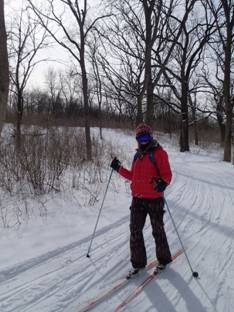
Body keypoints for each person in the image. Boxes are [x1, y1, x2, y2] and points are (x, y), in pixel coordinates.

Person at [110, 123, 172, 277]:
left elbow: (167, 174)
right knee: (135, 231)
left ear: (150, 137)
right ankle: (138, 263)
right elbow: (133, 176)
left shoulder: (159, 153)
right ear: (137, 138)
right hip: (137, 200)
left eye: (146, 136)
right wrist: (118, 168)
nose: (143, 140)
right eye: (140, 137)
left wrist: (162, 183)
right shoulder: (137, 155)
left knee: (158, 230)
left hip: (154, 200)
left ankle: (163, 260)